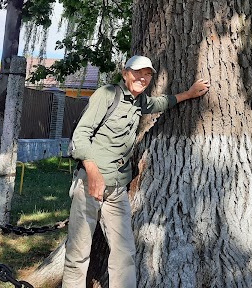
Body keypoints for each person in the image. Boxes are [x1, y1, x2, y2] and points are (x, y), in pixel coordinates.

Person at [62, 55, 210, 288]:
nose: (142, 77)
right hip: (91, 184)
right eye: (137, 72)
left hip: (117, 189)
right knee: (78, 251)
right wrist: (92, 172)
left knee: (124, 253)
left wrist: (189, 94)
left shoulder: (138, 102)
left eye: (147, 74)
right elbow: (80, 136)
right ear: (125, 73)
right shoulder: (107, 94)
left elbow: (161, 103)